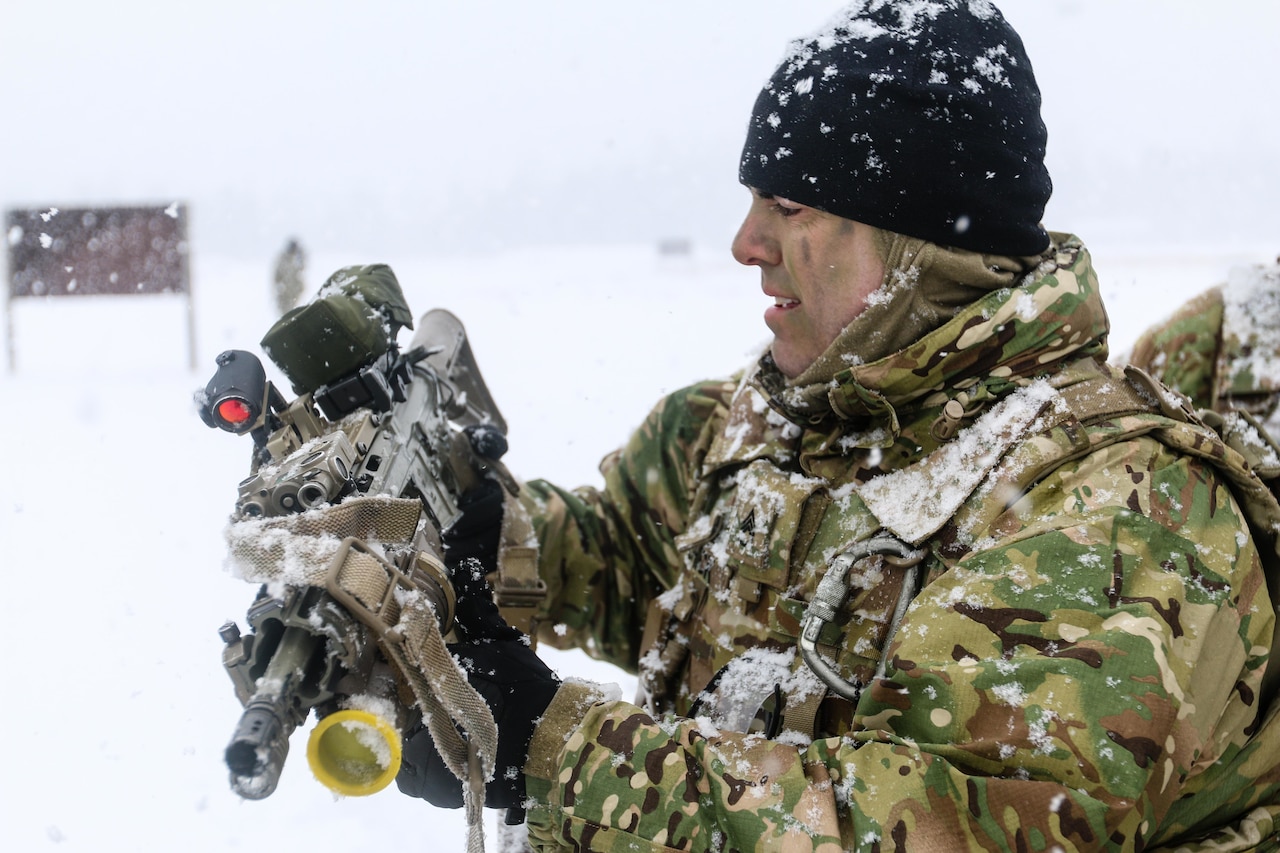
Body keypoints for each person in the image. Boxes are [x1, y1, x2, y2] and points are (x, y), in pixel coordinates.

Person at [396, 3, 1280, 850]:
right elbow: (634, 561)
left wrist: (561, 755)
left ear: (917, 244)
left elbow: (942, 827)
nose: (746, 242)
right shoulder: (752, 425)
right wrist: (485, 537)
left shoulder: (1116, 515)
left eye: (791, 206)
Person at [273, 237, 307, 316]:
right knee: (285, 314)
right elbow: (277, 275)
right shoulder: (283, 259)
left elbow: (302, 270)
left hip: (294, 292)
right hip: (284, 293)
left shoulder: (297, 258)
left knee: (294, 312)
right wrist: (280, 287)